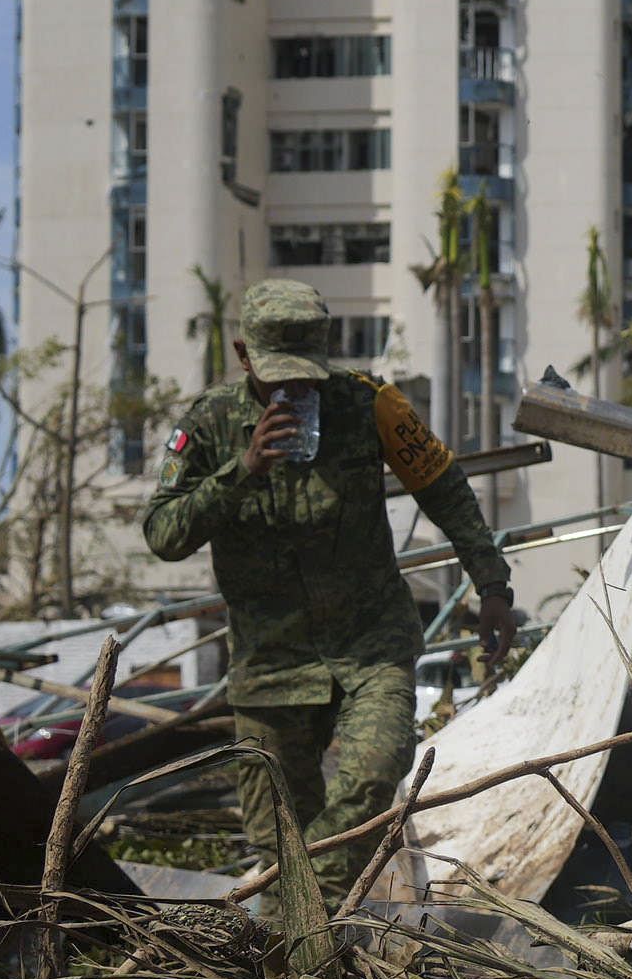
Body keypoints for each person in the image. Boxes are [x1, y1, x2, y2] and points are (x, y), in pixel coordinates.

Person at [143, 280, 516, 881]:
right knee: (276, 835)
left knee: (374, 772)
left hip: (369, 644)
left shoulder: (371, 404)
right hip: (271, 665)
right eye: (276, 377)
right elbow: (163, 533)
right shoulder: (208, 425)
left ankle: (299, 897)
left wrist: (492, 587)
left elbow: (443, 487)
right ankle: (306, 949)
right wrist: (242, 470)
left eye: (307, 375)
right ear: (243, 357)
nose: (295, 390)